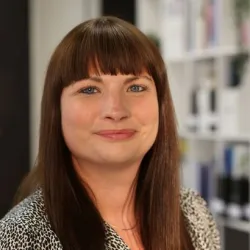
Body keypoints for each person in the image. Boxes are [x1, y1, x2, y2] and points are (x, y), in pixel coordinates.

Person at [0, 16, 220, 250]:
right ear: (57, 110)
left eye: (136, 87)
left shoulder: (192, 213)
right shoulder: (20, 237)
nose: (115, 111)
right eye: (90, 89)